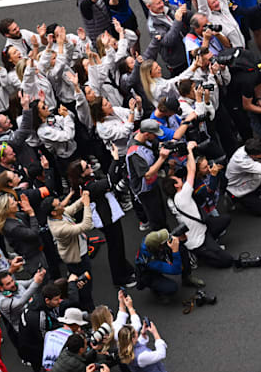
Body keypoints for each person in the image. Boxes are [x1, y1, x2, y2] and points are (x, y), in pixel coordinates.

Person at [66, 156, 136, 289]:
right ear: (81, 174)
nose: (90, 166)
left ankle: (125, 268)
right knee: (115, 248)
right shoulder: (89, 186)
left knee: (117, 246)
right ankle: (119, 278)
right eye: (87, 167)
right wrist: (114, 159)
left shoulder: (88, 181)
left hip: (108, 216)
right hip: (106, 219)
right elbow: (109, 181)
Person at [43, 191, 95, 310]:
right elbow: (86, 225)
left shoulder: (58, 214)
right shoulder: (59, 228)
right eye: (59, 204)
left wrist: (82, 199)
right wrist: (87, 205)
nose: (62, 205)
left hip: (78, 251)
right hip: (77, 259)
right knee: (84, 287)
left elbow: (71, 209)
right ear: (53, 212)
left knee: (84, 284)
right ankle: (90, 312)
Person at [133, 228, 204, 301]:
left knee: (181, 249)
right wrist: (175, 251)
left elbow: (164, 240)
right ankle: (156, 290)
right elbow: (176, 270)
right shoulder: (150, 261)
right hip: (148, 273)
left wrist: (180, 239)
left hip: (158, 255)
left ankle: (187, 278)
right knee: (172, 287)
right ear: (160, 246)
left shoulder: (150, 239)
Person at [125, 120, 170, 232]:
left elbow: (155, 145)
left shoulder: (141, 136)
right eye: (154, 134)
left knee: (161, 213)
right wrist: (162, 158)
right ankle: (163, 242)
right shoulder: (135, 153)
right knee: (156, 219)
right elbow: (147, 175)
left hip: (153, 185)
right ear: (146, 134)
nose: (155, 137)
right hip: (145, 191)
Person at [145, 0, 189, 76]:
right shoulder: (152, 25)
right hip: (177, 62)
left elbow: (187, 19)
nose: (162, 4)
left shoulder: (168, 6)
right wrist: (177, 20)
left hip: (189, 50)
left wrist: (185, 12)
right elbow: (168, 41)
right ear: (149, 6)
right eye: (158, 3)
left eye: (161, 1)